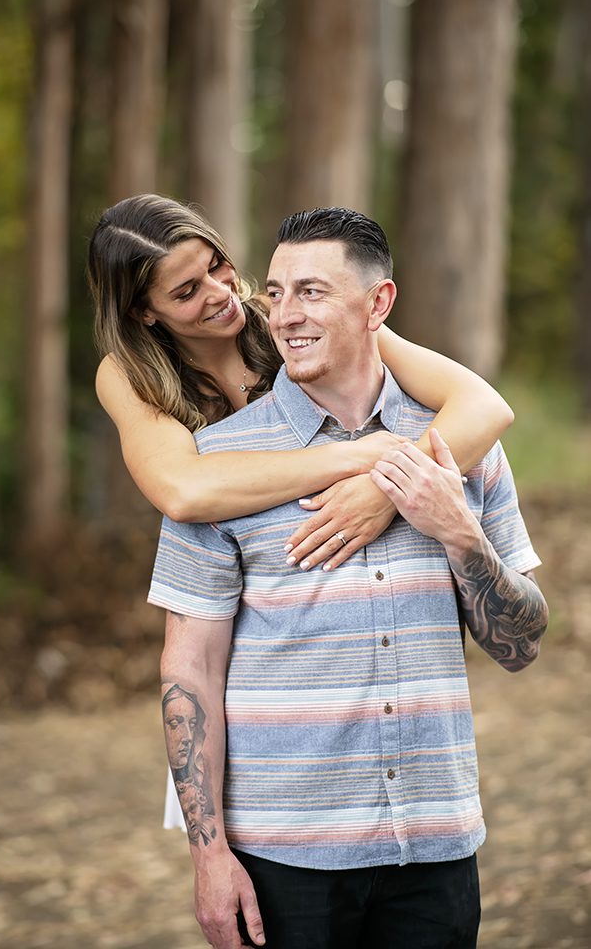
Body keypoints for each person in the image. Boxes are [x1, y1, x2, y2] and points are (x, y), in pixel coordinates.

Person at [147, 207, 548, 949]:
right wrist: (207, 857)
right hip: (281, 860)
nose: (283, 316)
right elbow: (189, 668)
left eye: (311, 292)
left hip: (436, 849)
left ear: (377, 305)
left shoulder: (463, 449)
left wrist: (459, 535)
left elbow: (521, 646)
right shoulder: (219, 467)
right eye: (275, 292)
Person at [87, 193, 513, 831]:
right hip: (244, 628)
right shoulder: (130, 375)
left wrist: (384, 491)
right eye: (185, 292)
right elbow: (183, 490)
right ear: (144, 313)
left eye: (218, 265)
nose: (220, 293)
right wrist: (356, 462)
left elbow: (483, 409)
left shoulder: (290, 313)